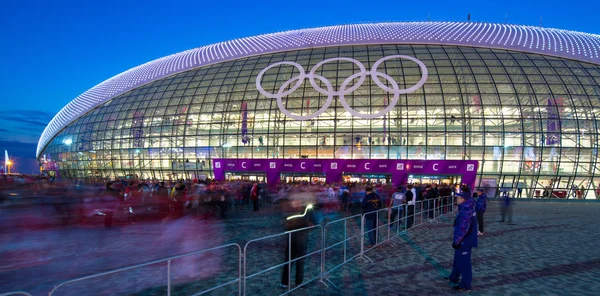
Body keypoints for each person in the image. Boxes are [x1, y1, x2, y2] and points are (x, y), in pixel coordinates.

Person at [280, 199, 317, 289]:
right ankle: (293, 283)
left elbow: (314, 222)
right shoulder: (303, 212)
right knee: (293, 261)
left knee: (295, 261)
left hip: (297, 239)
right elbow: (314, 223)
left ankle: (293, 282)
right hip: (296, 239)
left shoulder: (298, 212)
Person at [445, 193, 478, 292]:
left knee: (464, 263)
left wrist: (457, 241)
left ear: (463, 199)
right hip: (464, 240)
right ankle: (453, 277)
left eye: (458, 198)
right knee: (457, 260)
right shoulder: (467, 208)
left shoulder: (466, 210)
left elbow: (464, 228)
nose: (456, 199)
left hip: (464, 241)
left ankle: (466, 285)